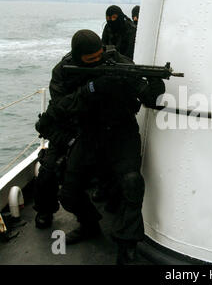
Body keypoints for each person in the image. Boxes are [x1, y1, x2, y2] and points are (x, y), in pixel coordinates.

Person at [44, 29, 165, 264]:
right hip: (88, 134)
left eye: (100, 56)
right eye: (91, 61)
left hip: (121, 132)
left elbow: (149, 98)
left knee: (131, 182)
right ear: (78, 58)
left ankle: (127, 243)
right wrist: (92, 88)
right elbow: (59, 108)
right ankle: (89, 224)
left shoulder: (119, 63)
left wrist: (155, 85)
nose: (99, 61)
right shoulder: (63, 71)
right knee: (68, 193)